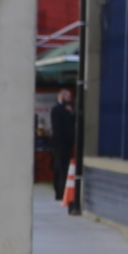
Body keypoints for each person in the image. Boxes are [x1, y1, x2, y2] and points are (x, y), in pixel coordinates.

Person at [46, 85, 81, 214]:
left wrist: (71, 112)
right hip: (60, 143)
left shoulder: (69, 110)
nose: (69, 100)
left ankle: (61, 190)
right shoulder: (57, 109)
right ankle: (60, 192)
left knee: (63, 167)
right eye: (68, 97)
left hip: (68, 142)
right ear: (62, 97)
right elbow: (58, 126)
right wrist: (67, 112)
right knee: (61, 166)